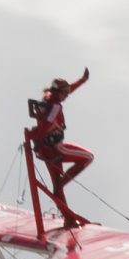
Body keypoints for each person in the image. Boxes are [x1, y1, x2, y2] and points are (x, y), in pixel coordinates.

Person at [25, 69, 95, 227]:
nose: (67, 95)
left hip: (46, 150)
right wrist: (36, 139)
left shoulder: (49, 98)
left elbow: (69, 89)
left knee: (57, 188)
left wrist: (83, 79)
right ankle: (61, 184)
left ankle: (68, 219)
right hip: (55, 149)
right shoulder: (55, 106)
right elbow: (46, 125)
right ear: (58, 92)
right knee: (88, 157)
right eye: (65, 93)